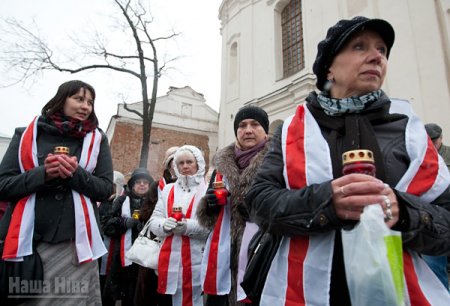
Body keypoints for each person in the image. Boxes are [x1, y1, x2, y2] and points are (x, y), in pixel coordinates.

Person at [245, 16, 450, 305]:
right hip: (307, 290)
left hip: (397, 291)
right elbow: (258, 202)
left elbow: (446, 217)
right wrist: (327, 203)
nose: (376, 56)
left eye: (382, 50)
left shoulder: (409, 131)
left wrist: (404, 212)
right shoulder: (293, 130)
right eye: (359, 46)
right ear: (329, 67)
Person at [0, 80, 113, 304]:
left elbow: (105, 189)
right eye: (79, 99)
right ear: (61, 99)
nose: (86, 107)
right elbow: (3, 185)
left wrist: (75, 174)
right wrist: (43, 174)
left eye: (90, 102)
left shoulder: (97, 140)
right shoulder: (26, 135)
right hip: (27, 242)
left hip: (74, 246)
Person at [197, 105, 270, 305]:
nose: (248, 130)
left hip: (260, 253)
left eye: (255, 124)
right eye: (242, 125)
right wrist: (209, 205)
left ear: (265, 131)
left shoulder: (277, 161)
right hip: (223, 255)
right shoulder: (221, 165)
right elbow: (208, 218)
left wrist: (260, 211)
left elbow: (287, 204)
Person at [149, 145, 209, 306]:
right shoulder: (168, 190)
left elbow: (212, 228)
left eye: (189, 162)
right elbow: (153, 221)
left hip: (196, 259)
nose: (185, 166)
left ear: (198, 164)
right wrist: (164, 225)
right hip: (168, 261)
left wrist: (186, 227)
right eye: (181, 163)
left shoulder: (206, 191)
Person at [101, 167, 153, 306]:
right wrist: (124, 222)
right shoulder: (122, 200)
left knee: (139, 294)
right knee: (120, 292)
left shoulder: (154, 203)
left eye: (145, 182)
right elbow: (106, 225)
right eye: (138, 182)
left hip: (145, 256)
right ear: (132, 185)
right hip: (122, 254)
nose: (142, 184)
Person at [134, 147, 179, 306]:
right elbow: (143, 214)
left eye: (178, 160)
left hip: (178, 245)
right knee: (149, 291)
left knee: (172, 291)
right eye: (172, 161)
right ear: (167, 164)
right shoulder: (157, 186)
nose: (176, 165)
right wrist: (162, 215)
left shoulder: (188, 186)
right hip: (155, 245)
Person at [423, 123, 450, 290]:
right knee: (434, 266)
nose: (432, 143)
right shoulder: (421, 157)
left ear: (441, 138)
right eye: (429, 140)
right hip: (433, 216)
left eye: (435, 140)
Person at [99, 170, 125, 292]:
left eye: (113, 186)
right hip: (101, 242)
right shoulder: (100, 201)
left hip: (114, 244)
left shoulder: (122, 202)